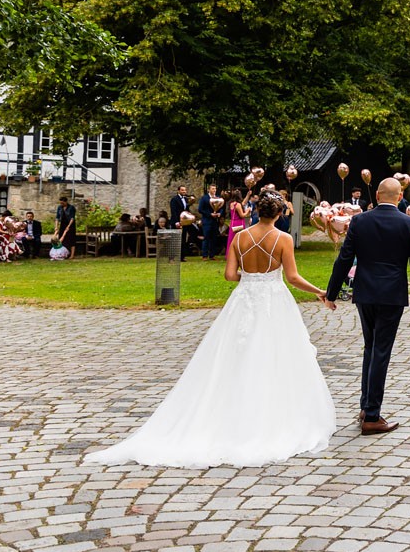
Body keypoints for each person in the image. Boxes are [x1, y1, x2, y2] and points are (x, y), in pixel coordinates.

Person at [85, 190, 334, 467]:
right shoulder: (283, 239)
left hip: (243, 299)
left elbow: (229, 275)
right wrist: (318, 291)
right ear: (278, 214)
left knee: (233, 355)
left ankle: (228, 411)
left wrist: (250, 278)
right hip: (273, 300)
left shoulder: (240, 237)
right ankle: (269, 415)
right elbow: (292, 277)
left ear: (256, 211)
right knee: (273, 354)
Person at [325, 177, 410, 436]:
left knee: (371, 347)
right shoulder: (408, 224)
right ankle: (372, 415)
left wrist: (332, 292)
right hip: (391, 293)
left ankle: (365, 406)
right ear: (399, 195)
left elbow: (344, 258)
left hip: (366, 292)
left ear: (378, 195)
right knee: (380, 350)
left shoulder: (360, 221)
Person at [226, 188, 251, 256]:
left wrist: (248, 195)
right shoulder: (238, 205)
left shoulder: (231, 204)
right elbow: (242, 215)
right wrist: (248, 211)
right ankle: (238, 254)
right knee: (239, 239)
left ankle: (230, 254)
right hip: (239, 223)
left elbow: (243, 203)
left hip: (233, 223)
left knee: (231, 239)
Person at [198, 184, 220, 261]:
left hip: (215, 221)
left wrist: (219, 213)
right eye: (213, 189)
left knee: (214, 238)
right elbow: (200, 209)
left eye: (215, 189)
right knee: (206, 238)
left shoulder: (218, 198)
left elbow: (221, 207)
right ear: (209, 190)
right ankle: (204, 255)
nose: (214, 190)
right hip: (207, 221)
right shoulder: (204, 198)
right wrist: (210, 214)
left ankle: (212, 255)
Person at [170, 185, 191, 261]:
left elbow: (186, 210)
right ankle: (172, 257)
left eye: (185, 190)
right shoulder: (174, 199)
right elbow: (174, 211)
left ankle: (182, 257)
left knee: (183, 240)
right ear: (178, 191)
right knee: (175, 240)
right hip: (176, 222)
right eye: (182, 190)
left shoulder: (186, 199)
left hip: (184, 222)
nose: (184, 191)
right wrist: (176, 222)